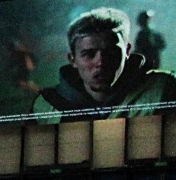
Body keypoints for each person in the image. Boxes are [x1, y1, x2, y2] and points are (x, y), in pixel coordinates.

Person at [33, 7, 176, 120]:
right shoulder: (46, 106)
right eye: (89, 54)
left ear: (127, 51)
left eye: (111, 53)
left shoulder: (163, 90)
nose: (101, 62)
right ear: (72, 59)